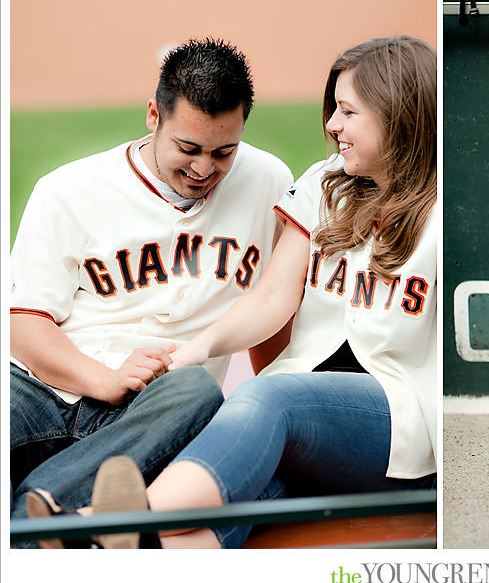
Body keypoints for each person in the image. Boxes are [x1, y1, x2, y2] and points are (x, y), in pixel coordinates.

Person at [89, 35, 437, 549]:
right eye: (333, 109)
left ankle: (113, 520)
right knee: (234, 505)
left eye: (347, 111)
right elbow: (274, 297)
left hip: (396, 425)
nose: (331, 125)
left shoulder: (445, 209)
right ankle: (108, 545)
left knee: (268, 395)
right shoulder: (326, 183)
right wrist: (200, 348)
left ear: (399, 115)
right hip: (308, 421)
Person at [10, 37, 294, 543]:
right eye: (188, 148)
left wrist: (277, 401)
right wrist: (104, 379)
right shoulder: (67, 190)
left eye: (223, 151)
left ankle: (32, 525)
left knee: (199, 389)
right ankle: (55, 521)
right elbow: (26, 326)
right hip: (39, 393)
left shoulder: (269, 181)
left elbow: (271, 305)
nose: (204, 168)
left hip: (155, 410)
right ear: (152, 115)